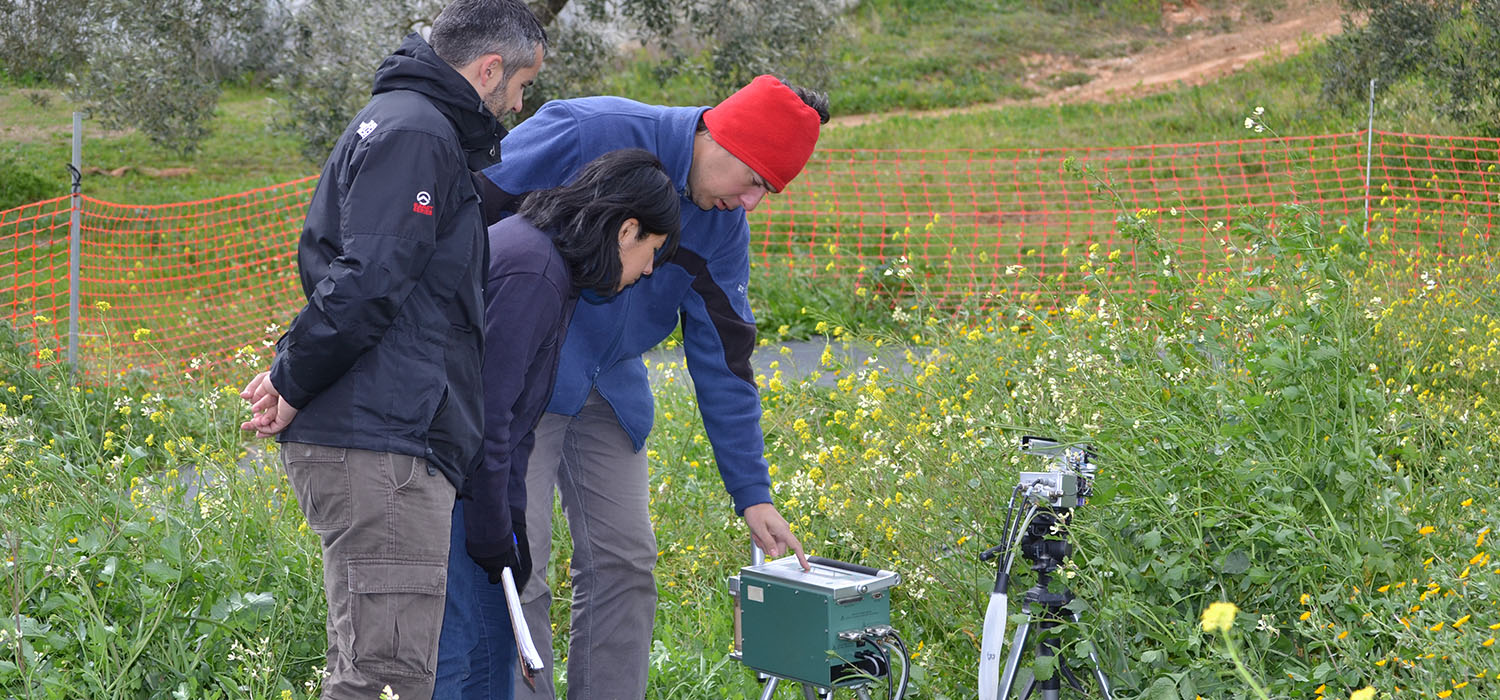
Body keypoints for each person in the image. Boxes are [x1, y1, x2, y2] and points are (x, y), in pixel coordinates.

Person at [474, 75, 832, 700]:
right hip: (515, 385)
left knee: (626, 564)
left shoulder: (721, 230)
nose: (751, 203)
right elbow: (459, 208)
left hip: (609, 391)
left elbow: (726, 361)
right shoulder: (585, 131)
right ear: (723, 139)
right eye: (754, 182)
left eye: (767, 192)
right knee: (516, 565)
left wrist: (753, 493)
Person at [237, 3, 546, 698]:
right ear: (489, 68)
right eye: (522, 86)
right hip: (385, 440)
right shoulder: (419, 134)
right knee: (387, 678)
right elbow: (370, 279)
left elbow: (369, 275)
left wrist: (294, 369)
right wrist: (291, 377)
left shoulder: (407, 124)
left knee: (374, 668)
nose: (520, 105)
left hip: (387, 431)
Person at [433, 148, 682, 699]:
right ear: (627, 230)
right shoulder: (535, 272)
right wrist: (495, 530)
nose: (645, 271)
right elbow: (491, 415)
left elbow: (513, 416)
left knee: (486, 639)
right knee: (468, 656)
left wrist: (510, 519)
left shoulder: (552, 264)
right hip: (422, 462)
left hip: (448, 463)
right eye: (651, 253)